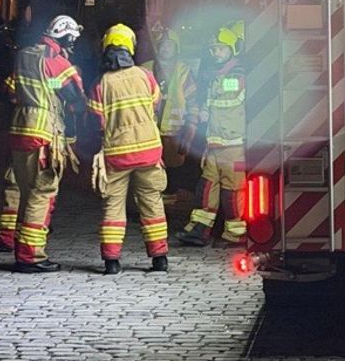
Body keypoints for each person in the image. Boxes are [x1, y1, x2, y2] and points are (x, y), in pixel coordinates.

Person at [0, 14, 86, 273]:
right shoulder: (57, 62)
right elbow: (76, 99)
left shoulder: (25, 55)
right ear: (66, 36)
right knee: (42, 191)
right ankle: (30, 256)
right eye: (73, 39)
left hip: (20, 127)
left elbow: (12, 90)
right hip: (44, 131)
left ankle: (19, 246)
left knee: (24, 189)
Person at [87, 24, 169, 275]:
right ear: (130, 48)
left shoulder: (101, 83)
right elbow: (156, 105)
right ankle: (160, 259)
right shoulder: (145, 75)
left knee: (113, 206)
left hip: (117, 155)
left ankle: (111, 262)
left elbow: (96, 121)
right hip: (149, 152)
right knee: (152, 204)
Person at [177, 23, 246, 247]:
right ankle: (199, 230)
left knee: (232, 192)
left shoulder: (236, 76)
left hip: (233, 145)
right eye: (213, 49)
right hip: (214, 143)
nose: (215, 53)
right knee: (206, 188)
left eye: (221, 49)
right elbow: (210, 103)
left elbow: (228, 90)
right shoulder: (215, 76)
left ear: (233, 50)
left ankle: (235, 234)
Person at [143, 26, 197, 199]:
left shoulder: (183, 71)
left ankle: (169, 196)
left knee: (173, 166)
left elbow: (193, 100)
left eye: (170, 45)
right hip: (148, 130)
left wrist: (191, 128)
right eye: (162, 44)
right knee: (149, 167)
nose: (165, 48)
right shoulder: (145, 69)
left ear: (176, 48)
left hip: (174, 130)